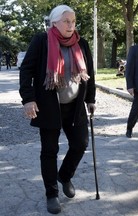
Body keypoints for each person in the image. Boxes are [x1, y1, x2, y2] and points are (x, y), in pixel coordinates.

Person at [19, 5, 96, 214]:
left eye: (73, 21)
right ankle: (51, 193)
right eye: (66, 21)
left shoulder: (82, 43)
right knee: (50, 151)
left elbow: (90, 73)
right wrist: (28, 99)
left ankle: (65, 176)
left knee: (80, 144)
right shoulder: (41, 41)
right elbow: (26, 70)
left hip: (75, 105)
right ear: (54, 23)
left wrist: (91, 99)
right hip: (49, 106)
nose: (71, 25)